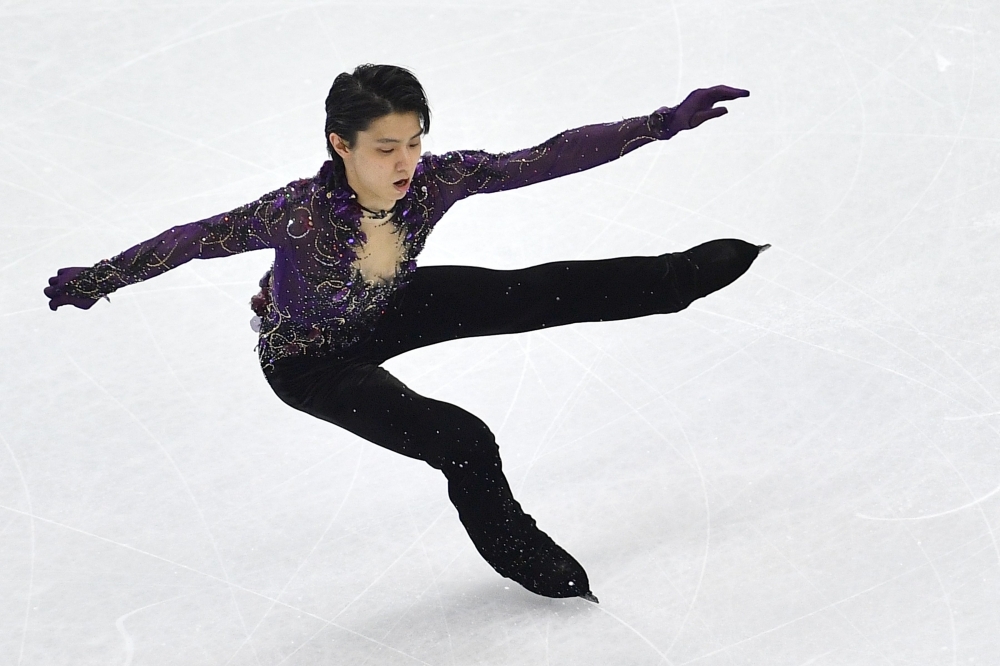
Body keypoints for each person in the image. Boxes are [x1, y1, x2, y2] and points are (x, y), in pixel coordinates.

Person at [45, 64, 768, 604]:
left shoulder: (433, 183)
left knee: (529, 290)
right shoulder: (295, 215)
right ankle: (525, 557)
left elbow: (545, 158)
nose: (405, 162)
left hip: (389, 305)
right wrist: (100, 278)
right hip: (311, 362)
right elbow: (193, 239)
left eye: (415, 142)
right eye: (386, 147)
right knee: (463, 438)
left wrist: (658, 123)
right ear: (340, 144)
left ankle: (679, 279)